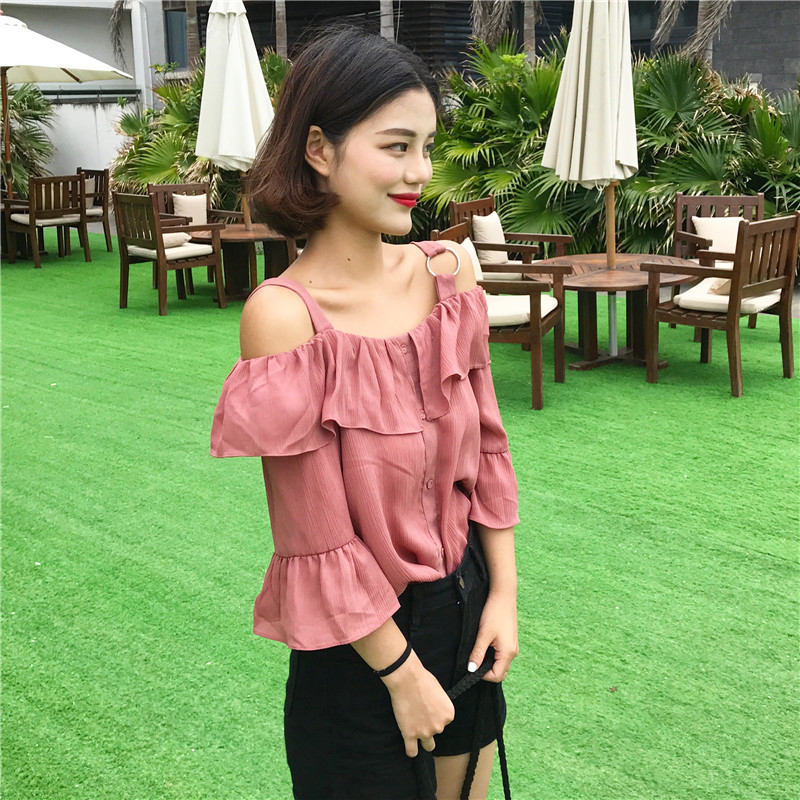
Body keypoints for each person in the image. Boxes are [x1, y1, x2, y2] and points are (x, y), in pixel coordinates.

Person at [210, 25, 519, 800]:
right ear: (319, 149)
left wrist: (504, 596)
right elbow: (315, 535)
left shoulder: (450, 277)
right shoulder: (284, 318)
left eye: (426, 147)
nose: (420, 173)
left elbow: (488, 451)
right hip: (359, 654)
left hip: (466, 611)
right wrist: (402, 674)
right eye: (396, 147)